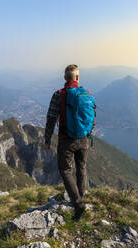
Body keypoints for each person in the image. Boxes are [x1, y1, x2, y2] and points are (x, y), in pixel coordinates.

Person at [44, 64, 95, 220]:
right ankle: (81, 195)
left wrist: (47, 139)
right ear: (77, 78)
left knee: (65, 169)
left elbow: (51, 118)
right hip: (84, 138)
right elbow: (92, 118)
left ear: (65, 78)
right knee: (81, 167)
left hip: (66, 139)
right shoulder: (86, 94)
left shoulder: (59, 95)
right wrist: (87, 134)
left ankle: (78, 205)